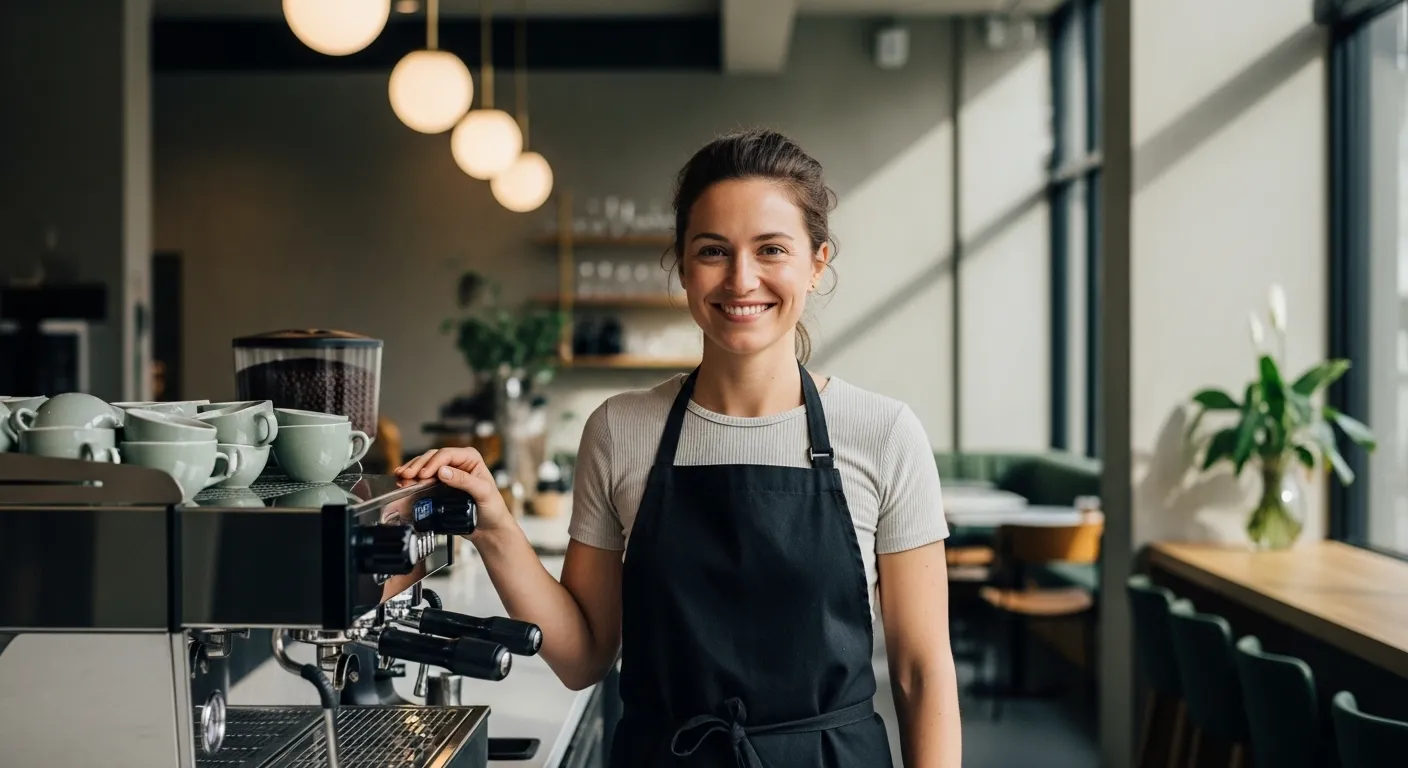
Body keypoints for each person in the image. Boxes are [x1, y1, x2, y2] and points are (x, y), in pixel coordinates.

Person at [397, 129, 961, 767]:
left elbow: (920, 670)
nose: (742, 279)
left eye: (771, 249)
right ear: (684, 265)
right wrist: (494, 525)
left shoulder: (883, 433)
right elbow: (583, 657)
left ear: (816, 262)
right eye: (714, 250)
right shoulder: (621, 429)